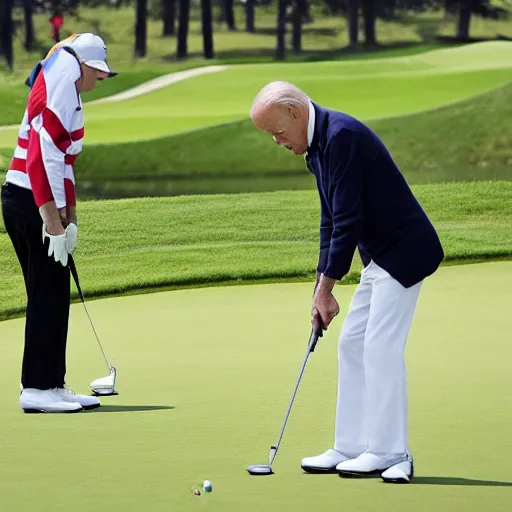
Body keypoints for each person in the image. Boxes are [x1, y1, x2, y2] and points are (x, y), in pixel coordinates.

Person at [249, 81, 444, 483]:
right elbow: (330, 220)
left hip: (406, 251)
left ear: (294, 112)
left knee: (379, 347)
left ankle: (393, 455)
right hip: (382, 256)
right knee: (353, 343)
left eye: (277, 130)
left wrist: (328, 289)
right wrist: (321, 284)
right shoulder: (319, 146)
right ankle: (351, 445)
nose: (276, 140)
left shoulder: (342, 137)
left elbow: (349, 222)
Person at [1, 33, 117, 414]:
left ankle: (51, 383)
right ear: (83, 64)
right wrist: (52, 221)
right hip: (29, 202)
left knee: (51, 292)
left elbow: (65, 162)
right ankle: (36, 387)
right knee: (48, 293)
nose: (98, 80)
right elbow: (41, 157)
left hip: (31, 201)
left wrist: (71, 220)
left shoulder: (66, 80)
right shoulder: (63, 80)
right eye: (97, 73)